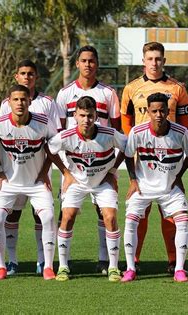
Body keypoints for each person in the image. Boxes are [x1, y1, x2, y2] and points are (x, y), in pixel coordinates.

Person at [120, 41, 188, 273]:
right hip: (142, 155)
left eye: (158, 58)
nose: (154, 63)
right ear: (143, 61)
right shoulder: (130, 89)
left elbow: (185, 124)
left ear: (164, 61)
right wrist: (135, 141)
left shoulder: (177, 89)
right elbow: (125, 121)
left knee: (170, 212)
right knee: (140, 211)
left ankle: (173, 261)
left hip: (169, 156)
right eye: (150, 59)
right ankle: (135, 261)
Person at [0, 84, 65, 281]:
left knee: (47, 218)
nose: (20, 103)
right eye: (16, 99)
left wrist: (45, 171)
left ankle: (47, 266)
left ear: (30, 101)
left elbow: (53, 148)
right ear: (9, 102)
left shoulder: (43, 122)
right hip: (9, 183)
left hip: (36, 183)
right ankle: (3, 266)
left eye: (23, 99)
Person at [56, 45, 121, 274]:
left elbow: (117, 129)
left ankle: (105, 260)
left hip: (101, 163)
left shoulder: (108, 93)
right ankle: (65, 261)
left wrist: (113, 170)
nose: (88, 65)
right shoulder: (64, 93)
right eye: (83, 61)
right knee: (67, 212)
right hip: (73, 163)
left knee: (104, 212)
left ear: (97, 64)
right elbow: (58, 132)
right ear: (77, 64)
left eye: (92, 61)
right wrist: (65, 172)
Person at [48, 96, 127, 282]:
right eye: (82, 115)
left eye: (90, 116)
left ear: (96, 116)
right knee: (67, 216)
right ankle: (63, 266)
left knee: (110, 216)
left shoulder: (109, 134)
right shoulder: (66, 136)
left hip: (102, 182)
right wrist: (66, 173)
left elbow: (127, 147)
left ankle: (113, 267)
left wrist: (113, 170)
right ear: (75, 115)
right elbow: (48, 149)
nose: (86, 120)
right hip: (77, 182)